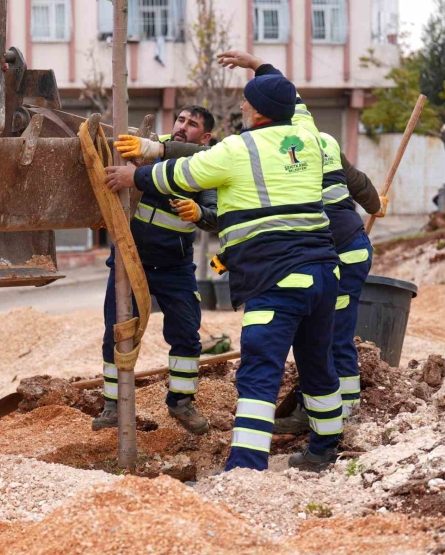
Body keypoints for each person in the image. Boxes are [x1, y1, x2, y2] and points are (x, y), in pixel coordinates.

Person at [105, 61, 343, 472]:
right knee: (318, 366)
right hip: (323, 272)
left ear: (256, 111)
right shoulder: (306, 134)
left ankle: (246, 469)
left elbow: (183, 172)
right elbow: (295, 97)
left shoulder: (238, 149)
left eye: (246, 102)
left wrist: (135, 175)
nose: (242, 108)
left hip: (276, 277)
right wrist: (259, 67)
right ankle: (324, 450)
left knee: (259, 375)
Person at [215, 52, 389, 431]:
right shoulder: (313, 135)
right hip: (347, 248)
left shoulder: (289, 148)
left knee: (332, 339)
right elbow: (360, 183)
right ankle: (326, 411)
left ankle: (344, 415)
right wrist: (256, 63)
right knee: (323, 339)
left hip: (340, 251)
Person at [92, 106, 218, 436]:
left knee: (187, 334)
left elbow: (216, 214)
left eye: (192, 125)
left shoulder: (208, 163)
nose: (182, 127)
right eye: (180, 119)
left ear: (204, 137)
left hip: (175, 266)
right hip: (128, 259)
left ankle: (181, 402)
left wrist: (199, 213)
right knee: (117, 333)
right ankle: (112, 405)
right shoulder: (148, 146)